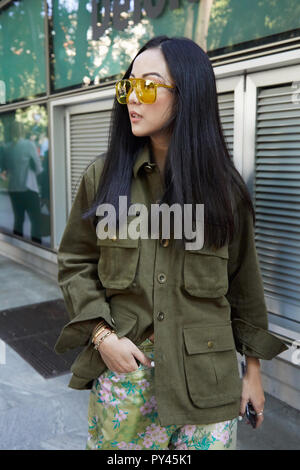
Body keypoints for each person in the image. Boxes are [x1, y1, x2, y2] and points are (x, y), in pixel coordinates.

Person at [54, 36, 288, 451]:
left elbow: (244, 287)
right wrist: (102, 337)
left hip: (208, 385)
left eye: (148, 85)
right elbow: (75, 263)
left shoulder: (225, 192)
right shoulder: (103, 178)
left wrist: (253, 373)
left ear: (188, 94)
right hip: (127, 380)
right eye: (128, 86)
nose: (132, 98)